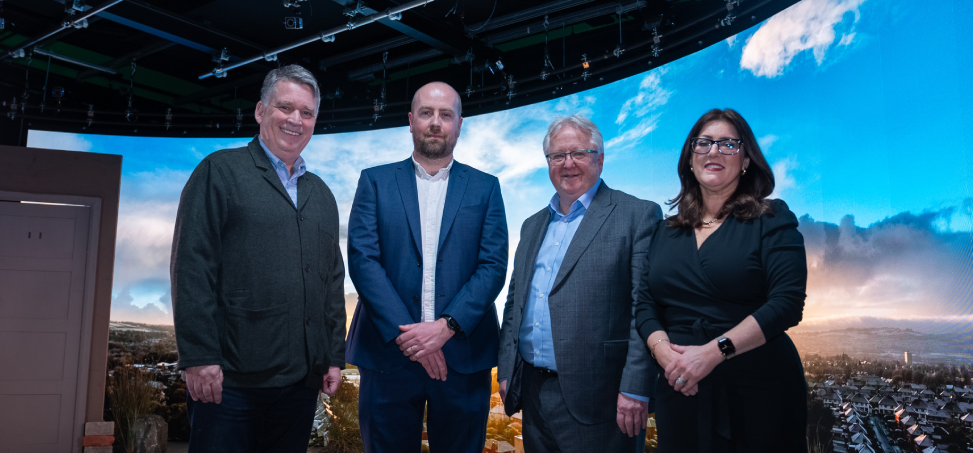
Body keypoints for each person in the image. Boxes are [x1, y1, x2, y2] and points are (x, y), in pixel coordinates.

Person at [170, 64, 346, 453]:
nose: (296, 120)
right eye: (286, 107)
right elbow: (191, 265)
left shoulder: (322, 195)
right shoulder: (220, 171)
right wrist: (198, 357)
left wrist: (333, 357)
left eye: (307, 112)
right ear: (260, 110)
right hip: (230, 383)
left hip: (300, 384)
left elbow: (332, 282)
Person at [345, 81, 508, 453]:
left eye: (445, 115)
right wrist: (413, 338)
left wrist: (445, 328)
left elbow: (493, 266)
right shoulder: (374, 181)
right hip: (388, 356)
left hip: (464, 359)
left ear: (459, 125)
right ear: (411, 120)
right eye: (426, 113)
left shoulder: (486, 188)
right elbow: (363, 260)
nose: (436, 122)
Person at [634, 108, 808, 452]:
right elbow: (645, 303)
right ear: (689, 160)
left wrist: (713, 353)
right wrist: (664, 354)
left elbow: (786, 304)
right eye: (703, 143)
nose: (714, 151)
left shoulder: (771, 217)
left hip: (759, 391)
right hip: (681, 386)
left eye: (728, 144)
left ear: (746, 160)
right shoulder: (663, 231)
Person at [497, 115, 662, 452]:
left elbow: (644, 309)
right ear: (548, 163)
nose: (567, 163)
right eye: (558, 155)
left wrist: (635, 387)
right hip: (532, 391)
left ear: (599, 158)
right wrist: (506, 369)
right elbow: (515, 302)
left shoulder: (637, 215)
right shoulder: (531, 226)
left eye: (579, 153)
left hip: (603, 399)